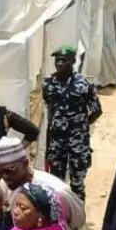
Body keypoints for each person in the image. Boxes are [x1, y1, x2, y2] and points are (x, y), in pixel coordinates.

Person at [41, 45, 102, 202]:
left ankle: (78, 213)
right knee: (56, 182)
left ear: (73, 61)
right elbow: (49, 108)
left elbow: (97, 110)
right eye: (58, 60)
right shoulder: (48, 83)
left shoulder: (83, 84)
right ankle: (59, 213)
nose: (60, 63)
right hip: (56, 140)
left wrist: (82, 125)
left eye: (65, 60)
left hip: (77, 141)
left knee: (77, 183)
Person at [0, 137, 86, 230]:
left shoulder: (56, 190)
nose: (5, 177)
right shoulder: (6, 185)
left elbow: (78, 221)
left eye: (10, 170)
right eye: (0, 172)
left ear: (25, 163)